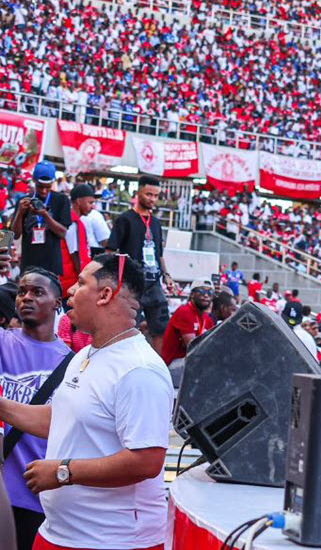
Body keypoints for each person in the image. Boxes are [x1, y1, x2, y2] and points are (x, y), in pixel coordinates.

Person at [0, 254, 173, 550]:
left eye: (80, 283)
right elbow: (62, 419)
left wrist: (62, 471)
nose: (70, 290)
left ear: (104, 295)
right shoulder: (87, 353)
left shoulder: (140, 369)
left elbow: (147, 461)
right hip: (59, 532)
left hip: (112, 541)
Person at [0, 269, 70, 550]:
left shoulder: (73, 364)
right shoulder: (2, 341)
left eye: (37, 292)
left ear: (57, 303)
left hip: (38, 495)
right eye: (22, 292)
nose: (26, 297)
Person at [106, 176, 172, 353]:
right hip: (132, 285)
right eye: (149, 194)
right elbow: (110, 251)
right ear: (138, 193)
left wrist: (166, 275)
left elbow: (159, 254)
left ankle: (158, 364)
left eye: (156, 196)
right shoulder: (125, 219)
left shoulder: (156, 223)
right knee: (128, 329)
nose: (152, 199)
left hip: (154, 283)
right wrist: (114, 280)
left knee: (162, 328)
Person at [12, 163, 70, 277]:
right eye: (40, 186)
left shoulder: (61, 200)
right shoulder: (24, 201)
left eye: (48, 187)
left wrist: (45, 215)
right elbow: (15, 235)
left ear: (53, 182)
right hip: (29, 264)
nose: (44, 191)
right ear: (34, 180)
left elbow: (62, 233)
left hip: (51, 265)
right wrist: (20, 213)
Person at [160, 280, 215, 366]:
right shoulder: (184, 312)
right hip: (174, 363)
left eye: (210, 292)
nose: (206, 295)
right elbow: (192, 346)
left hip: (189, 361)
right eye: (201, 291)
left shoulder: (207, 319)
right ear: (192, 294)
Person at [61, 184, 98, 296]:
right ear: (78, 201)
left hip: (71, 281)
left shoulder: (77, 221)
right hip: (69, 282)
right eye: (90, 202)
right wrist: (82, 281)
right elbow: (74, 255)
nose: (92, 206)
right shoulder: (70, 221)